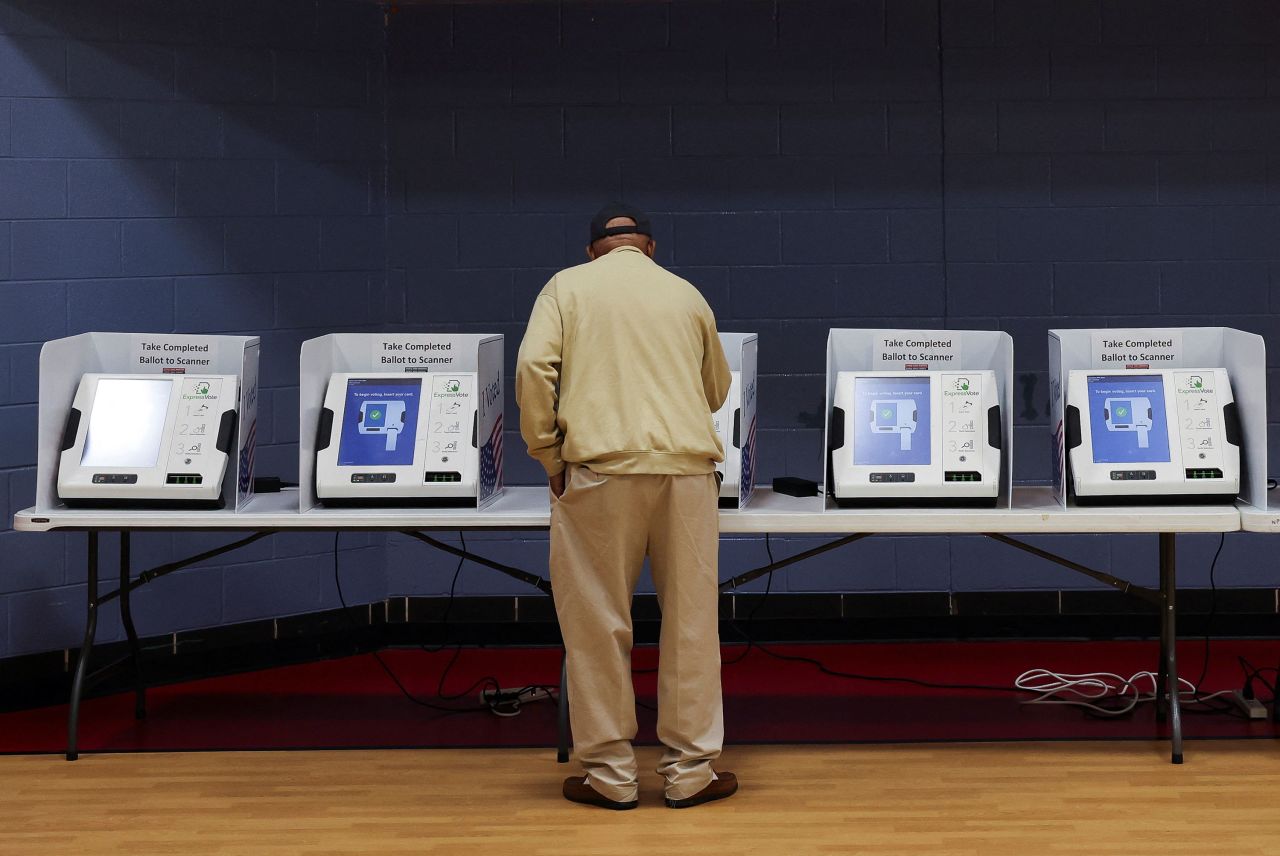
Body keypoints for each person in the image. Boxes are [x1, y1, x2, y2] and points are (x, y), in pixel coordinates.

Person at [515, 203, 736, 810]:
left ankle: (610, 777)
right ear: (650, 247)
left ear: (593, 251)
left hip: (600, 472)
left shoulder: (565, 287)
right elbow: (716, 388)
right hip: (687, 474)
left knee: (598, 624)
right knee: (691, 625)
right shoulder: (685, 293)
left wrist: (549, 456)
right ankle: (691, 773)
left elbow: (534, 366)